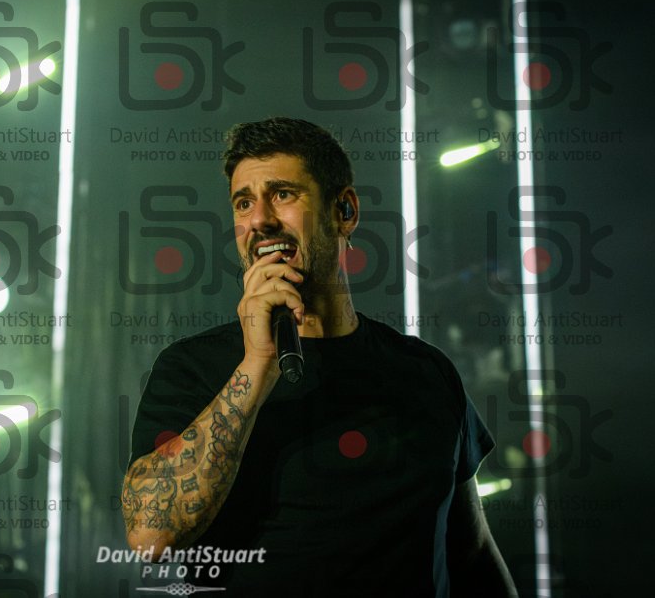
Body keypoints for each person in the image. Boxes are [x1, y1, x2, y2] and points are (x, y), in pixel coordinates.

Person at [121, 117, 517, 596]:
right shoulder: (191, 369)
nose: (260, 220)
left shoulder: (427, 372)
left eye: (283, 194)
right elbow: (150, 535)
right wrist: (256, 365)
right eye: (243, 203)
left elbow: (472, 554)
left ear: (344, 211)